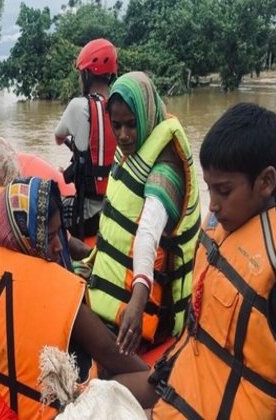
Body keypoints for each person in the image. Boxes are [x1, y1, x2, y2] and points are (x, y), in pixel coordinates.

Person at [0, 177, 151, 419]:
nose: (60, 246)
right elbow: (126, 362)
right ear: (28, 236)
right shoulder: (58, 291)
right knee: (153, 383)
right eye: (50, 237)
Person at [116, 102, 276, 419]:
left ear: (266, 182)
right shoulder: (224, 225)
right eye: (209, 190)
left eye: (224, 191)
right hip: (183, 388)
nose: (212, 205)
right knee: (97, 391)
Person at [87, 71, 201, 356]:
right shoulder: (132, 150)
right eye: (117, 126)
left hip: (151, 307)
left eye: (131, 125)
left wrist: (137, 304)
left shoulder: (167, 167)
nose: (123, 135)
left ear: (146, 114)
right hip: (110, 286)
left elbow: (148, 232)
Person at [54, 38, 118, 240]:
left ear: (87, 74)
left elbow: (58, 137)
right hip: (118, 212)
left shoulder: (78, 106)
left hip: (88, 220)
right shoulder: (122, 106)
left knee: (50, 207)